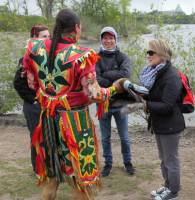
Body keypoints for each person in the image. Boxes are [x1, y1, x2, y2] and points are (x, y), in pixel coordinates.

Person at [22, 9, 123, 200]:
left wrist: (52, 95)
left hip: (48, 122)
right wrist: (115, 88)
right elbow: (95, 95)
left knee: (52, 179)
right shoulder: (80, 56)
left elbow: (32, 84)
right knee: (80, 183)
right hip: (74, 124)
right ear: (76, 28)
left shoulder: (35, 48)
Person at [139, 39, 185, 200]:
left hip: (171, 125)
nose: (148, 55)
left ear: (161, 54)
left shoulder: (171, 75)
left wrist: (145, 104)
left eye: (151, 52)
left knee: (171, 159)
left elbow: (167, 105)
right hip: (160, 123)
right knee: (163, 158)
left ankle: (173, 192)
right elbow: (156, 95)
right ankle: (167, 186)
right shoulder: (157, 72)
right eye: (147, 52)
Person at [95, 27, 134, 177]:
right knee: (105, 137)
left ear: (115, 40)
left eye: (111, 38)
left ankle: (128, 162)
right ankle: (108, 164)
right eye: (105, 38)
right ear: (101, 40)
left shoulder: (123, 57)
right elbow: (96, 79)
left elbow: (126, 75)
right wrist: (115, 83)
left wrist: (105, 75)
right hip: (102, 103)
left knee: (124, 136)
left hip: (121, 104)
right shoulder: (96, 58)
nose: (108, 41)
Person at [13, 24, 50, 172]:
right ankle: (38, 170)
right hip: (33, 106)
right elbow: (18, 83)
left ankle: (50, 167)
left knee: (49, 137)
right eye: (44, 37)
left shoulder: (49, 57)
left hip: (47, 104)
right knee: (37, 138)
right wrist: (33, 99)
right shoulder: (26, 59)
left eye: (49, 36)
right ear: (35, 39)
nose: (48, 39)